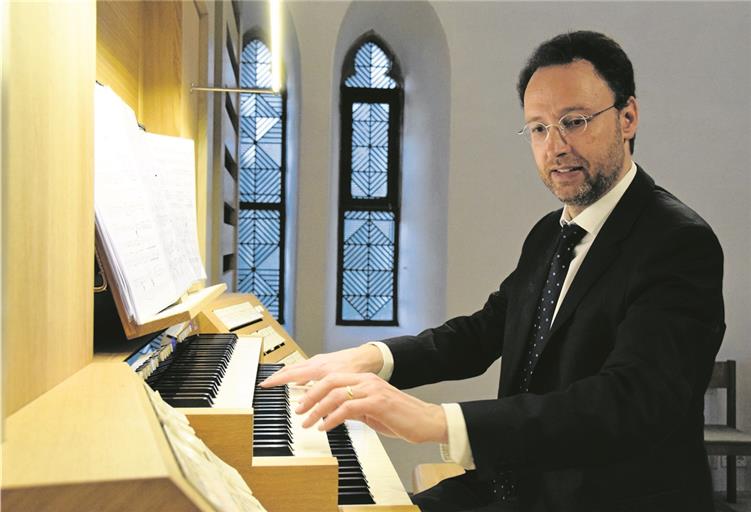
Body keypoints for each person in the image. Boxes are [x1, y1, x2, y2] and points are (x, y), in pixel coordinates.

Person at [262, 31, 725, 512]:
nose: (556, 146)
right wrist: (371, 358)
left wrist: (438, 422)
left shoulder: (677, 242)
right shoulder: (551, 234)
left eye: (575, 121)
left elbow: (628, 403)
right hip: (513, 486)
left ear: (627, 118)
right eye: (539, 129)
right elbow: (484, 332)